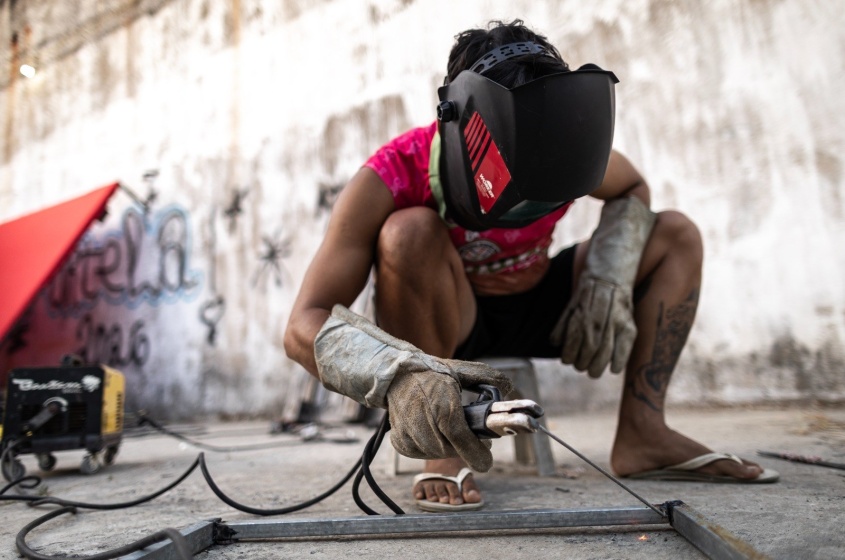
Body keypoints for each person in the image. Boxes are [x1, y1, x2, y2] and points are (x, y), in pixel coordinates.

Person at [284, 19, 778, 513]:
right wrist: (397, 376)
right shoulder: (392, 174)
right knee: (407, 232)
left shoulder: (565, 140)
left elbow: (632, 189)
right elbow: (304, 322)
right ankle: (442, 444)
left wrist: (611, 270)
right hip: (450, 324)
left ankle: (644, 433)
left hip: (547, 306)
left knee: (675, 232)